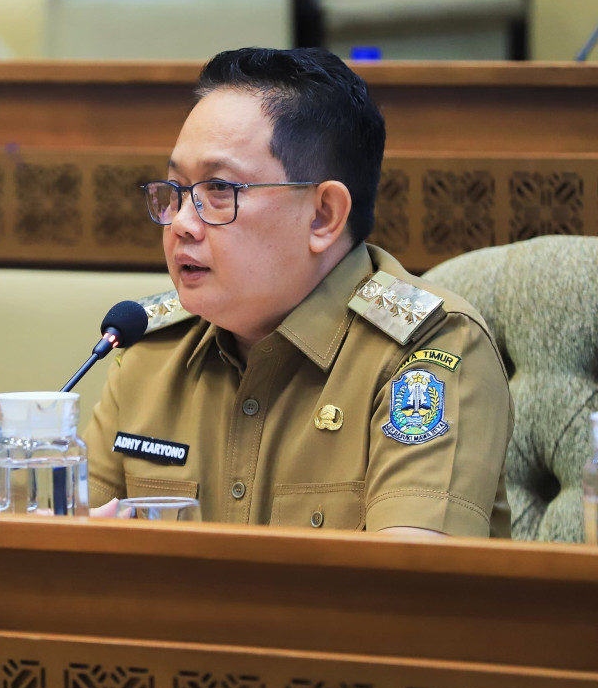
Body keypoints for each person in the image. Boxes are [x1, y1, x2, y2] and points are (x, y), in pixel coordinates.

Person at [84, 48, 512, 536]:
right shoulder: (146, 350)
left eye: (219, 190)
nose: (180, 223)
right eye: (176, 190)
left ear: (323, 215)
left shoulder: (427, 354)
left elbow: (408, 592)